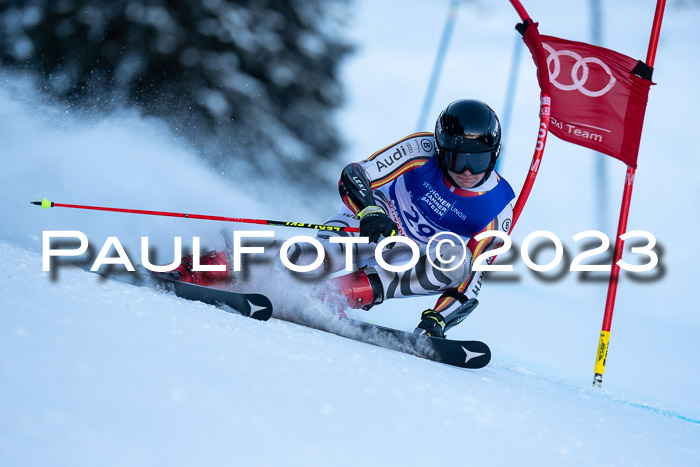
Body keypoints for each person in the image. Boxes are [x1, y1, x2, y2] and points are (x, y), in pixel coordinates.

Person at [167, 99, 515, 338]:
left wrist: (438, 319)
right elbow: (355, 174)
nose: (467, 171)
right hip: (371, 226)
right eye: (456, 160)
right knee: (307, 260)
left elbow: (473, 280)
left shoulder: (498, 207)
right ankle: (206, 265)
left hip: (406, 260)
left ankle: (338, 295)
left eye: (479, 161)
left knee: (458, 259)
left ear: (494, 156)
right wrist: (370, 211)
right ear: (441, 151)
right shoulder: (420, 149)